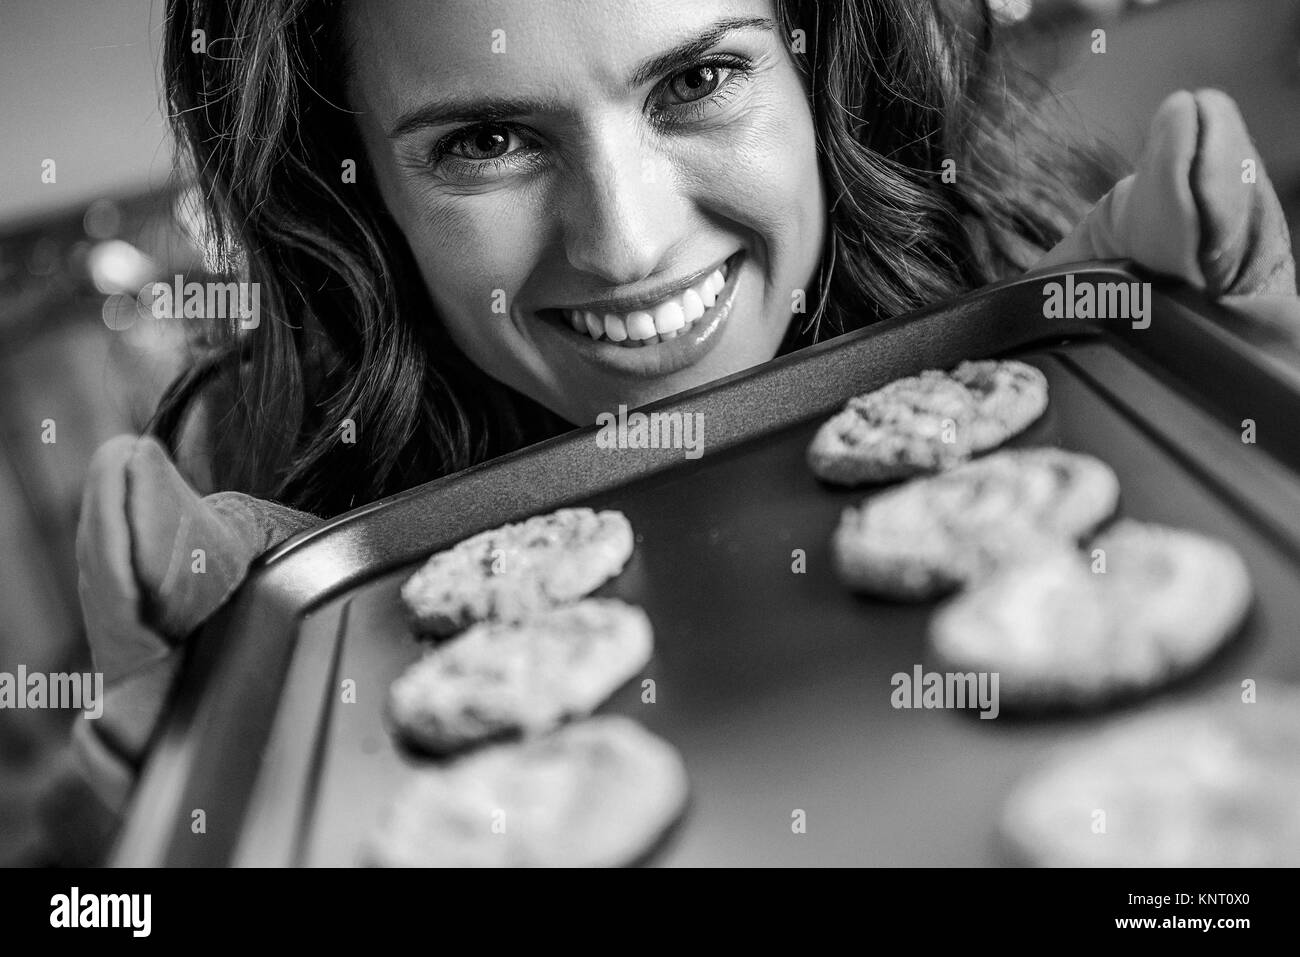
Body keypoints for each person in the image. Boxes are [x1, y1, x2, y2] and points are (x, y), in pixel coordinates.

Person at [73, 0, 1298, 820]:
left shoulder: (1064, 336)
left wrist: (1243, 407)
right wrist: (163, 807)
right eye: (489, 138)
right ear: (358, 197)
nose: (628, 242)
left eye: (699, 78)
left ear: (819, 67)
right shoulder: (306, 578)